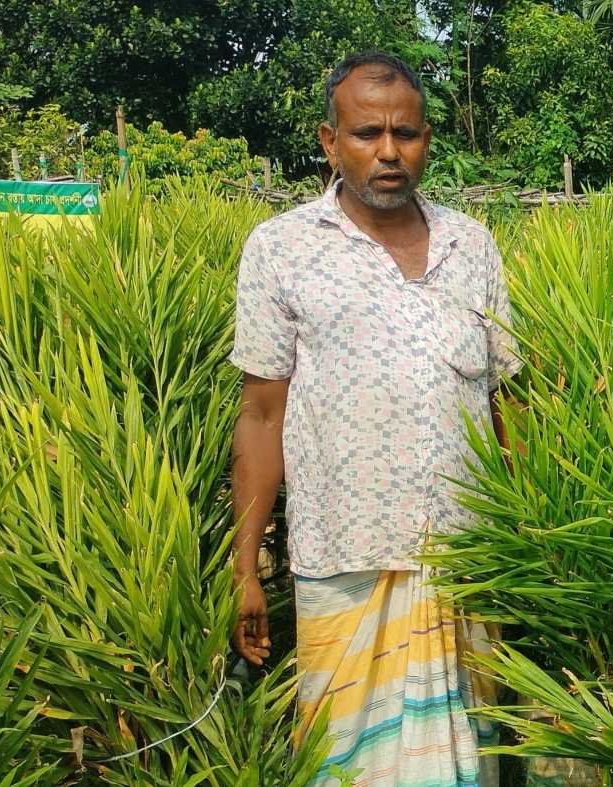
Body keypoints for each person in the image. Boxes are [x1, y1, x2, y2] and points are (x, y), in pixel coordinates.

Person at [228, 51, 520, 787]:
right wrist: (245, 568)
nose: (389, 152)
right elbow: (262, 416)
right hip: (345, 558)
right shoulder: (282, 248)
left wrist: (527, 539)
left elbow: (504, 402)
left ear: (427, 140)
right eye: (366, 133)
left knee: (471, 762)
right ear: (330, 143)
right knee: (346, 765)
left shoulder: (471, 244)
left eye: (406, 133)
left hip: (468, 561)